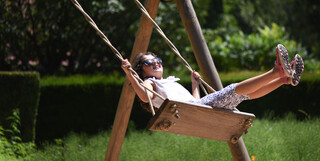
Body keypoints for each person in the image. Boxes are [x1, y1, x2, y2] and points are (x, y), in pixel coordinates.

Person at [121, 44, 304, 111]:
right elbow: (145, 97)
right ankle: (277, 72)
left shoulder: (167, 82)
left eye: (157, 60)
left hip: (198, 107)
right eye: (149, 63)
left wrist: (194, 84)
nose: (155, 63)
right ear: (142, 72)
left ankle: (285, 79)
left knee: (244, 94)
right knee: (235, 89)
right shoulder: (149, 82)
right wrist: (131, 74)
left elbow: (193, 101)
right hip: (196, 112)